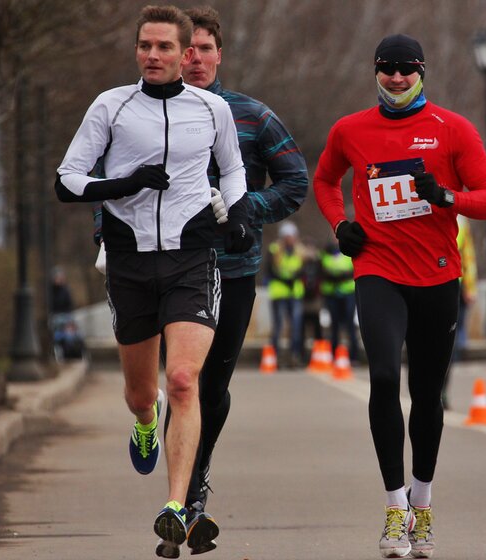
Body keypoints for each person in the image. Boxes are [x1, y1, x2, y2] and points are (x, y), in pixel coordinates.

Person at [54, 6, 254, 558]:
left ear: (185, 51)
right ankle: (145, 422)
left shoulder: (211, 109)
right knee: (144, 393)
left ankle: (175, 505)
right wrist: (123, 183)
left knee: (185, 380)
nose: (154, 55)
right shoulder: (111, 106)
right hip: (130, 260)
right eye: (146, 45)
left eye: (165, 47)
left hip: (192, 256)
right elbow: (67, 179)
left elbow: (232, 169)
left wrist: (236, 214)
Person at [313, 34, 486, 559]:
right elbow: (325, 179)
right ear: (375, 72)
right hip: (378, 270)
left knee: (426, 392)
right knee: (380, 375)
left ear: (422, 72)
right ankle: (395, 504)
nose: (396, 79)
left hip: (438, 277)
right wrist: (339, 226)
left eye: (406, 70)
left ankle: (422, 500)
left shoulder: (452, 129)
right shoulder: (350, 130)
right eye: (387, 70)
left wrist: (447, 196)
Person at [173, 5, 308, 556]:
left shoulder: (251, 115)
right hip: (167, 267)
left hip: (234, 268)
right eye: (186, 49)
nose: (195, 58)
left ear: (219, 54)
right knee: (167, 385)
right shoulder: (137, 113)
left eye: (205, 49)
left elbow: (295, 180)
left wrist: (244, 208)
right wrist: (105, 236)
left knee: (206, 386)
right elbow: (110, 179)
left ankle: (190, 492)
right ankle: (157, 444)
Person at [441, 215, 477, 410]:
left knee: (448, 344)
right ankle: (427, 389)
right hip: (423, 284)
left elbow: (467, 256)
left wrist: (470, 288)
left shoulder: (461, 221)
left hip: (454, 285)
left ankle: (442, 390)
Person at [266, 220, 306, 368]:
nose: (290, 239)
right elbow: (270, 270)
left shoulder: (300, 251)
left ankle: (294, 357)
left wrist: (294, 277)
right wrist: (286, 278)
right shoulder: (274, 249)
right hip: (279, 293)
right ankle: (274, 358)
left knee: (295, 327)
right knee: (278, 326)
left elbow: (304, 270)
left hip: (295, 293)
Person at [319, 241, 359, 362]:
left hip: (347, 293)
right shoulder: (325, 254)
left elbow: (354, 270)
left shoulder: (349, 252)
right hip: (332, 293)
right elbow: (322, 271)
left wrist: (340, 275)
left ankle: (354, 356)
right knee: (334, 325)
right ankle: (334, 354)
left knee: (349, 324)